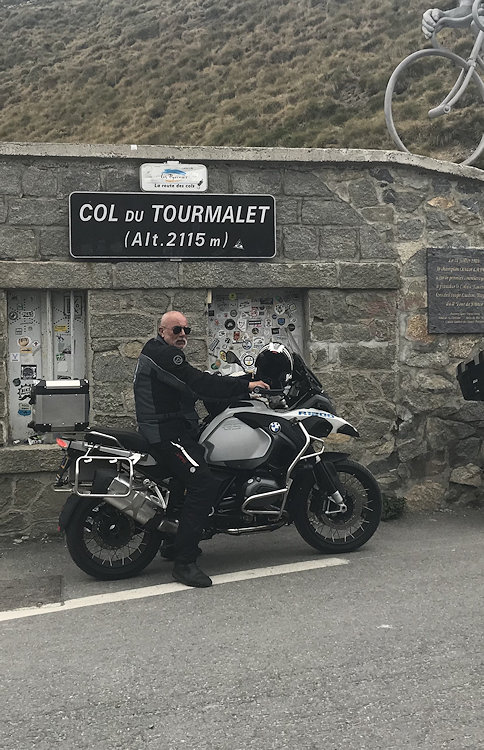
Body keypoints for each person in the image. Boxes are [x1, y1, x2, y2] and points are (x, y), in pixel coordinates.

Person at [133, 310, 269, 588]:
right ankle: (184, 563)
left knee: (185, 481)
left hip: (172, 429)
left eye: (186, 330)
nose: (182, 335)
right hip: (166, 433)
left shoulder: (159, 352)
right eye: (176, 330)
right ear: (162, 331)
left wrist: (238, 381)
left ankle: (172, 541)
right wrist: (247, 386)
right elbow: (198, 383)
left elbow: (193, 384)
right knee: (202, 483)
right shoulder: (166, 355)